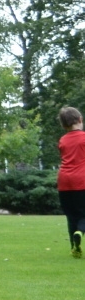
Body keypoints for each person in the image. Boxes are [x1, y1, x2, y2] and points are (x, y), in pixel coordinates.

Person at [57, 106, 85, 258]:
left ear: (64, 125)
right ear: (80, 120)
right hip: (82, 180)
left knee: (71, 215)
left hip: (64, 182)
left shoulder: (62, 140)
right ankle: (80, 231)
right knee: (83, 215)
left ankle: (75, 248)